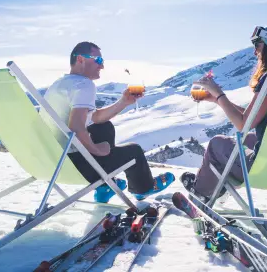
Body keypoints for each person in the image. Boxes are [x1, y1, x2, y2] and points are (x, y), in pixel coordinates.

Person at [40, 41, 174, 202]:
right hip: (78, 166)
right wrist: (96, 149)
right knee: (135, 151)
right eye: (98, 60)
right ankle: (143, 188)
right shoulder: (84, 85)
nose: (102, 66)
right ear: (81, 59)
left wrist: (123, 102)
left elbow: (94, 118)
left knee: (103, 126)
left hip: (52, 161)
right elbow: (76, 127)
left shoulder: (60, 84)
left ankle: (104, 187)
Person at [180, 22, 267, 202]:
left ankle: (201, 193)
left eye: (257, 44)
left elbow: (243, 124)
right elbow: (256, 116)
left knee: (217, 144)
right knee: (249, 139)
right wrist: (218, 100)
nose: (254, 51)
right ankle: (215, 185)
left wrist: (218, 94)